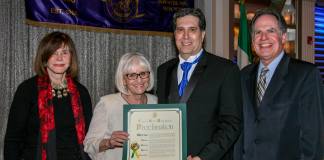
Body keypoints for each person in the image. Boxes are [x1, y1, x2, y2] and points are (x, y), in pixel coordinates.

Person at [234, 8, 324, 160]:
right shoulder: (243, 75)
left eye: (271, 31)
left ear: (283, 37)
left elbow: (313, 139)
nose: (263, 37)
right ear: (252, 40)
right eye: (257, 32)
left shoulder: (306, 75)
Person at [156, 8, 242, 160]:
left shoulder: (225, 70)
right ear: (174, 35)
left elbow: (232, 124)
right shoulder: (163, 70)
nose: (186, 36)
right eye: (180, 30)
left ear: (202, 34)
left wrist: (203, 157)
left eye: (192, 30)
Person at [4, 31, 93, 160]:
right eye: (54, 52)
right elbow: (13, 140)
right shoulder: (27, 90)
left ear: (71, 57)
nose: (59, 58)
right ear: (45, 57)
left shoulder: (82, 92)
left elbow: (89, 138)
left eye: (64, 52)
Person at [83, 52, 157, 160]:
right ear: (123, 80)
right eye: (132, 75)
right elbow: (88, 145)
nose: (139, 80)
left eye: (143, 73)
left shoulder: (157, 103)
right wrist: (109, 143)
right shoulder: (107, 104)